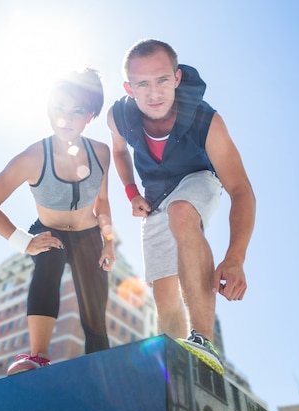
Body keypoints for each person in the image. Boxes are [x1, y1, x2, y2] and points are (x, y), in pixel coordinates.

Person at [108, 39, 256, 376]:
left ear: (176, 78)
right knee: (164, 298)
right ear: (129, 88)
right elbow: (118, 151)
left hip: (198, 178)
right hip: (155, 196)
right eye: (142, 84)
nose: (154, 93)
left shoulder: (206, 121)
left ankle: (204, 343)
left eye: (161, 80)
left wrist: (235, 258)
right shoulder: (119, 116)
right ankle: (176, 367)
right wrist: (132, 192)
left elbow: (240, 190)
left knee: (182, 211)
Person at [0, 68, 115, 376]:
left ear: (90, 115)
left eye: (77, 111)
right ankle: (37, 356)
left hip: (89, 234)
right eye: (59, 109)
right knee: (48, 257)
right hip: (50, 232)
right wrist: (24, 242)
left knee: (95, 316)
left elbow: (103, 201)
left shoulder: (102, 153)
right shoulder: (33, 157)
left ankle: (100, 366)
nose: (66, 118)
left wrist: (108, 241)